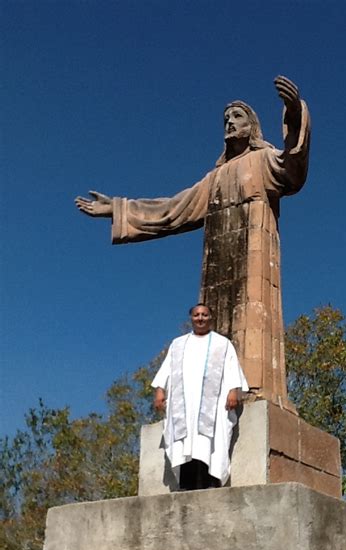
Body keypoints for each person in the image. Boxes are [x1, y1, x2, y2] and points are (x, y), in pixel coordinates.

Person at [76, 76, 310, 406]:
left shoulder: (264, 160)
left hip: (255, 258)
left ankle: (252, 390)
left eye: (237, 116)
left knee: (254, 322)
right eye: (226, 118)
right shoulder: (213, 180)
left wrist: (295, 112)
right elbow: (173, 210)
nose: (229, 122)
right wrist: (116, 208)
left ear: (252, 125)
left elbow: (294, 167)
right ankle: (215, 397)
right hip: (217, 267)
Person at [151, 304, 248, 490]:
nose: (200, 318)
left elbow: (231, 368)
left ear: (211, 318)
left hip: (214, 404)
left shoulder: (222, 343)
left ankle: (211, 480)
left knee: (208, 442)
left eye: (204, 315)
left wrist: (233, 391)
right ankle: (187, 484)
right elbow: (167, 369)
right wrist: (160, 391)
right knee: (186, 443)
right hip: (184, 405)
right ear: (191, 318)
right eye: (197, 315)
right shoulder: (178, 344)